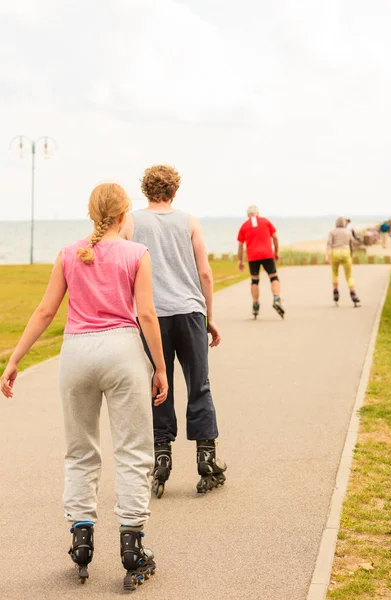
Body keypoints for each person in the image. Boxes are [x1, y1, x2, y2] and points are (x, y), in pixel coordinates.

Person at [0, 183, 168, 592]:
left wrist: (15, 358)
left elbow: (45, 310)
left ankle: (81, 538)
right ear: (124, 215)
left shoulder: (69, 253)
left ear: (93, 215)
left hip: (76, 353)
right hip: (122, 351)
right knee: (132, 449)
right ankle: (132, 545)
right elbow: (145, 312)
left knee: (80, 450)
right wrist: (160, 367)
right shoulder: (136, 254)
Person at [120, 165, 227, 498]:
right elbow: (205, 273)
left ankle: (162, 455)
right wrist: (208, 315)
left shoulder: (130, 222)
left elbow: (121, 264)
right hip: (191, 312)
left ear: (145, 190)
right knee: (200, 384)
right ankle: (206, 458)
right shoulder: (189, 221)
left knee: (157, 385)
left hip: (153, 316)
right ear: (175, 191)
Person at [237, 205, 284, 319]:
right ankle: (276, 298)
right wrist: (276, 252)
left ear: (248, 215)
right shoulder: (265, 222)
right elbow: (275, 238)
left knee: (254, 280)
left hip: (253, 256)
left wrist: (240, 260)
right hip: (267, 254)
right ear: (258, 213)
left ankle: (255, 304)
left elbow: (240, 245)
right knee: (273, 277)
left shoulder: (244, 226)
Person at [326, 216, 361, 307]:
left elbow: (329, 244)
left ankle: (335, 292)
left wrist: (327, 256)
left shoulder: (332, 232)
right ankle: (353, 293)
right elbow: (352, 243)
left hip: (335, 253)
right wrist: (351, 253)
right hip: (346, 253)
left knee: (335, 273)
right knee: (349, 275)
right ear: (344, 223)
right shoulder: (348, 232)